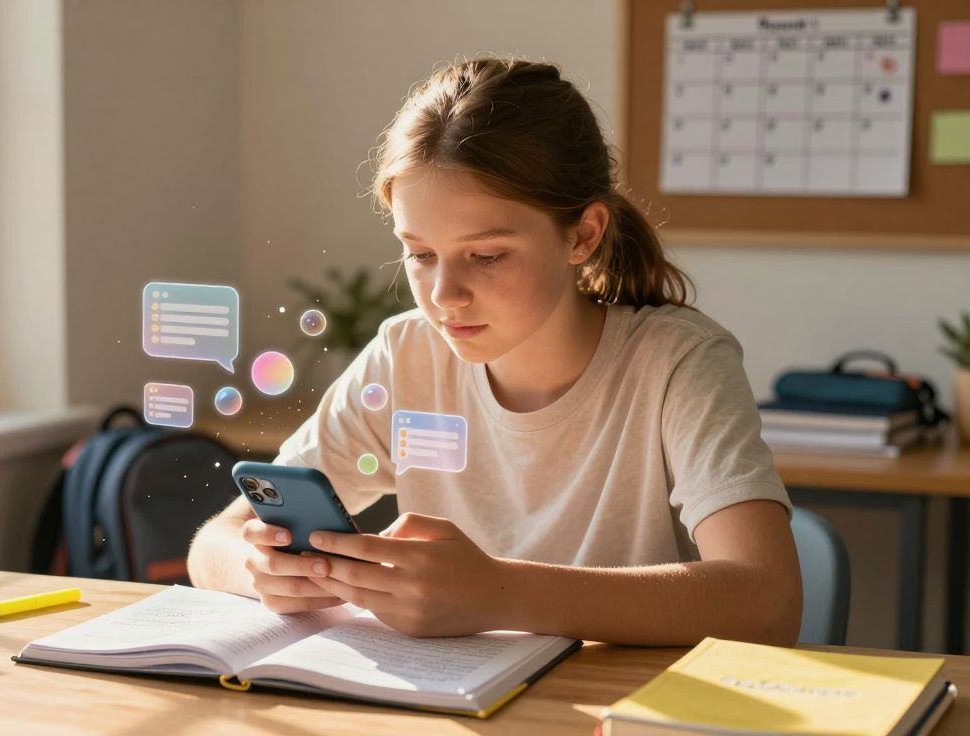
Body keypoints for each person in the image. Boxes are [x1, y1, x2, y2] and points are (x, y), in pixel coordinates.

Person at [187, 57, 801, 646]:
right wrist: (258, 569)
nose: (444, 296)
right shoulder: (406, 355)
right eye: (420, 254)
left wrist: (500, 594)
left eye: (486, 255)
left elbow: (768, 602)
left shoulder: (678, 364)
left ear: (583, 235)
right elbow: (214, 543)